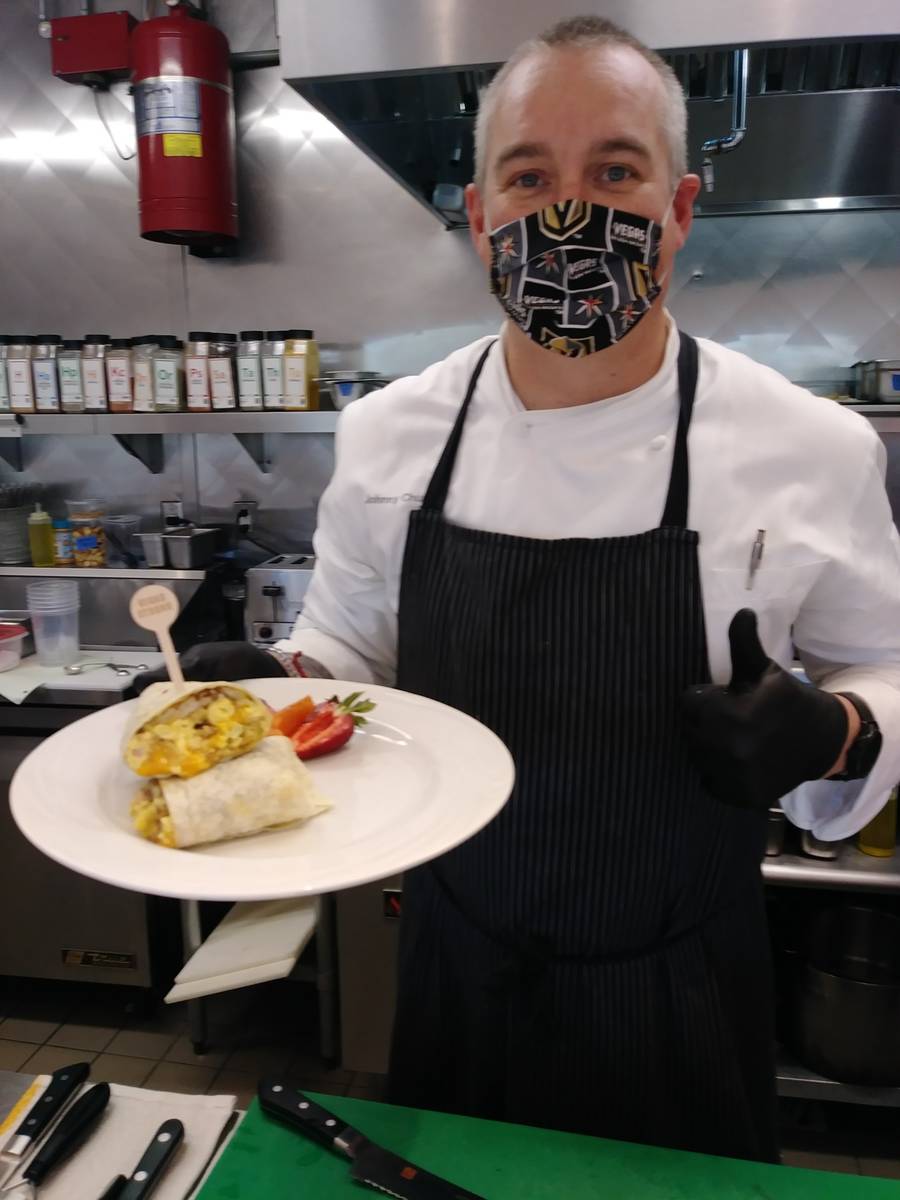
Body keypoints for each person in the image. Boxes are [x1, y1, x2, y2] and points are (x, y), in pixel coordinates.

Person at [136, 16, 900, 1161]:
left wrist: (836, 731)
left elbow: (885, 664)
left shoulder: (811, 447)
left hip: (687, 985)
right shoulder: (392, 435)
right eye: (530, 177)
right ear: (480, 211)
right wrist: (275, 686)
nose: (569, 213)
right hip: (456, 966)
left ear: (682, 209)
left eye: (616, 172)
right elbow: (350, 649)